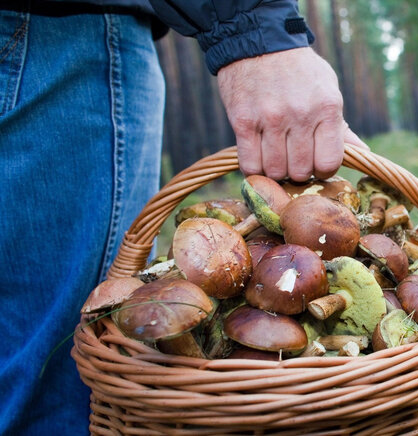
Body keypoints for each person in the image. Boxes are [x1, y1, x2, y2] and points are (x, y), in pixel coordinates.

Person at [0, 0, 367, 434]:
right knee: (63, 380)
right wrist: (257, 32)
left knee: (24, 363)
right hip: (61, 34)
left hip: (38, 38)